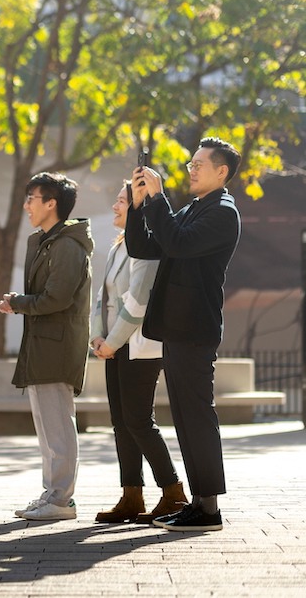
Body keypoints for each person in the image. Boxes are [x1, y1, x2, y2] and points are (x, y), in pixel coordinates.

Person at [126, 136, 242, 532]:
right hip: (177, 328)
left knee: (196, 416)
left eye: (199, 164)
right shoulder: (195, 207)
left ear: (221, 171)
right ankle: (199, 503)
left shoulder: (223, 212)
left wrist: (159, 200)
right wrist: (140, 202)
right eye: (191, 163)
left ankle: (209, 508)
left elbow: (176, 241)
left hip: (194, 328)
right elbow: (145, 246)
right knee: (185, 417)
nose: (190, 169)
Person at [90, 181, 188, 524]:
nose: (116, 207)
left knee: (138, 421)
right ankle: (132, 496)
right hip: (115, 347)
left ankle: (174, 492)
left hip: (139, 348)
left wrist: (111, 342)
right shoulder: (119, 245)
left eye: (122, 201)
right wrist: (96, 337)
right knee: (121, 423)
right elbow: (102, 298)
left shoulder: (145, 246)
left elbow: (137, 301)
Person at [0, 172, 93, 521]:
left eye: (32, 199)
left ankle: (61, 499)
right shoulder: (48, 241)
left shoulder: (67, 245)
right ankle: (52, 494)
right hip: (42, 345)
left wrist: (19, 302)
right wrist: (21, 303)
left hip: (57, 347)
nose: (26, 206)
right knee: (48, 427)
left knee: (58, 427)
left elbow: (57, 297)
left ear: (51, 204)